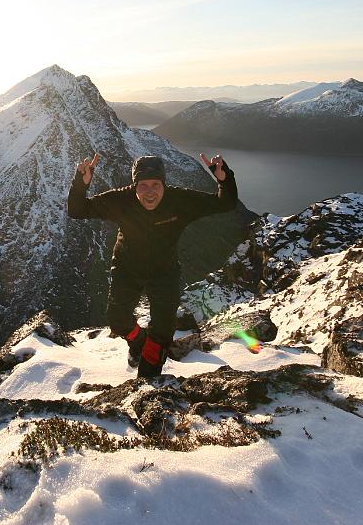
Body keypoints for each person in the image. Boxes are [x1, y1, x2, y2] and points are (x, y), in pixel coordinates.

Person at [67, 152, 237, 377]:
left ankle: (147, 379)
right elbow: (77, 210)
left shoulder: (179, 201)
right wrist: (81, 183)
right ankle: (138, 342)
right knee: (118, 321)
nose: (149, 192)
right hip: (127, 266)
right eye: (143, 185)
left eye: (156, 184)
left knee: (163, 330)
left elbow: (224, 203)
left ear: (164, 184)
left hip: (164, 271)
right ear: (134, 186)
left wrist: (225, 179)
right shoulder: (121, 200)